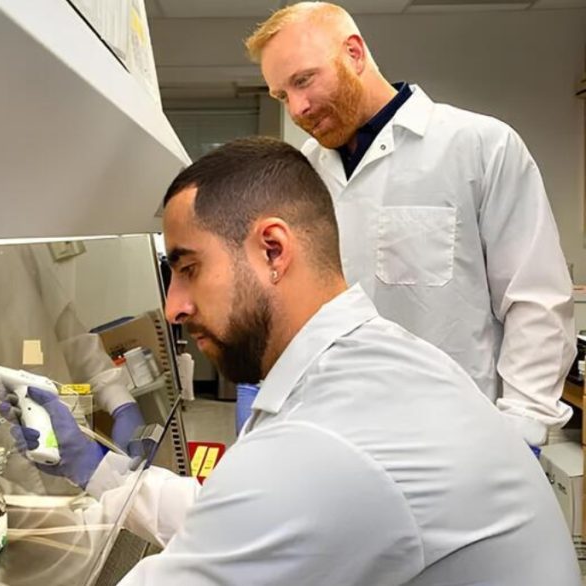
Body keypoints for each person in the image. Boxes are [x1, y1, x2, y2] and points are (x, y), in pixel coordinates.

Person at [0, 137, 579, 584]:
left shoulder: (331, 436)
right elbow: (237, 518)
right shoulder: (371, 363)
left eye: (188, 267)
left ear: (272, 250)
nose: (173, 306)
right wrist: (91, 466)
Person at [245, 2, 574, 448]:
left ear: (354, 54)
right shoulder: (302, 171)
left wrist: (523, 430)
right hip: (333, 436)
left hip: (455, 438)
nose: (298, 107)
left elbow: (535, 297)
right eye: (282, 96)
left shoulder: (478, 146)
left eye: (304, 80)